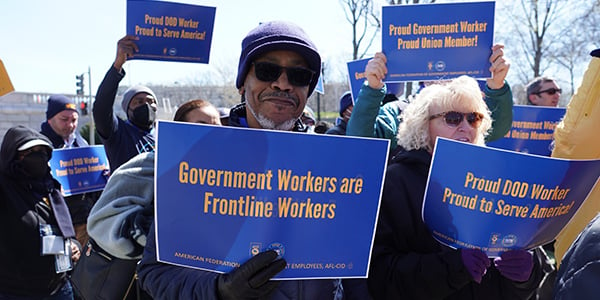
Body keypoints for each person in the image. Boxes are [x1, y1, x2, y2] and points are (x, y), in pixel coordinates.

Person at [136, 20, 364, 300]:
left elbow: (354, 270)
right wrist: (219, 292)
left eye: (299, 76)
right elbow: (155, 273)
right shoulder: (195, 163)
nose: (283, 84)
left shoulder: (336, 166)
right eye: (267, 70)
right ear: (243, 82)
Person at [368, 76, 545, 299]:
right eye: (452, 118)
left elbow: (532, 259)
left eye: (474, 118)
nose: (465, 127)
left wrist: (528, 273)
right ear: (424, 125)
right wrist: (451, 268)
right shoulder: (395, 181)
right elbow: (381, 276)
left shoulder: (498, 180)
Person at [346, 44, 513, 157]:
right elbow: (360, 143)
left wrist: (496, 85)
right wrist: (373, 89)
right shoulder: (398, 111)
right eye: (452, 118)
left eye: (472, 119)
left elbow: (494, 128)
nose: (443, 74)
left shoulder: (468, 108)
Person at [0, 125, 81, 299]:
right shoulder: (5, 188)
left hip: (59, 287)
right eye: (29, 152)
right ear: (12, 156)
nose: (37, 158)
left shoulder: (51, 188)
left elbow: (64, 228)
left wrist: (74, 245)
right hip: (15, 291)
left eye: (41, 152)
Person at [551, 48, 600, 270]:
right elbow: (573, 143)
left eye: (557, 90)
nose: (556, 94)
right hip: (582, 272)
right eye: (549, 91)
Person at [93, 35, 158, 172]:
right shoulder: (119, 133)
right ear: (128, 109)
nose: (146, 105)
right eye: (138, 102)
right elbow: (101, 107)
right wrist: (117, 66)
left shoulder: (164, 136)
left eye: (150, 101)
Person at [40, 94, 97, 247]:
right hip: (55, 220)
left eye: (74, 120)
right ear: (50, 119)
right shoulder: (41, 145)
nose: (70, 125)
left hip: (83, 219)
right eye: (64, 120)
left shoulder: (81, 143)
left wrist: (100, 176)